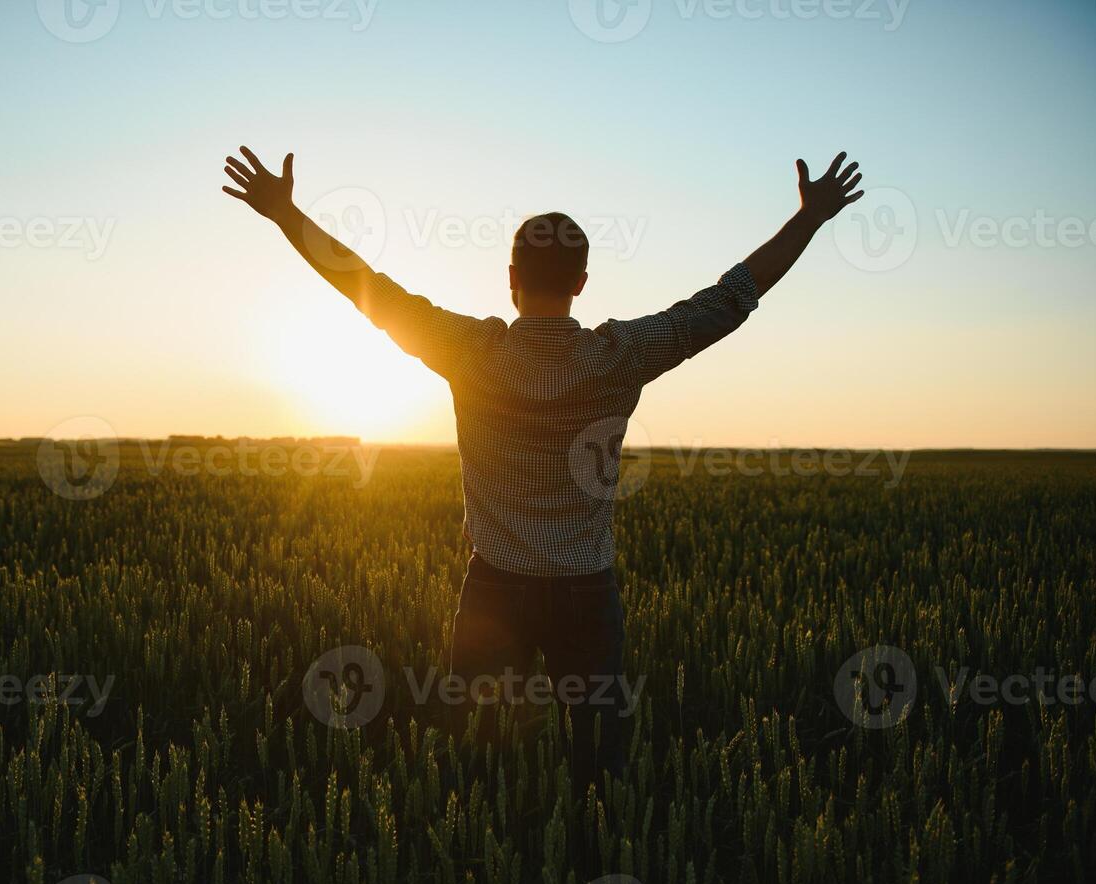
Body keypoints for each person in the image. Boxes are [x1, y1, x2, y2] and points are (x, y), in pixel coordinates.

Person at [223, 146, 865, 792]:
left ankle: (490, 879)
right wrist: (807, 220)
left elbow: (367, 287)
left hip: (492, 590)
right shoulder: (622, 354)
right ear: (581, 281)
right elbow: (729, 299)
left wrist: (285, 214)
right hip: (587, 596)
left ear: (510, 278)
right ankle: (591, 870)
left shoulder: (468, 349)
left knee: (476, 770)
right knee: (598, 774)